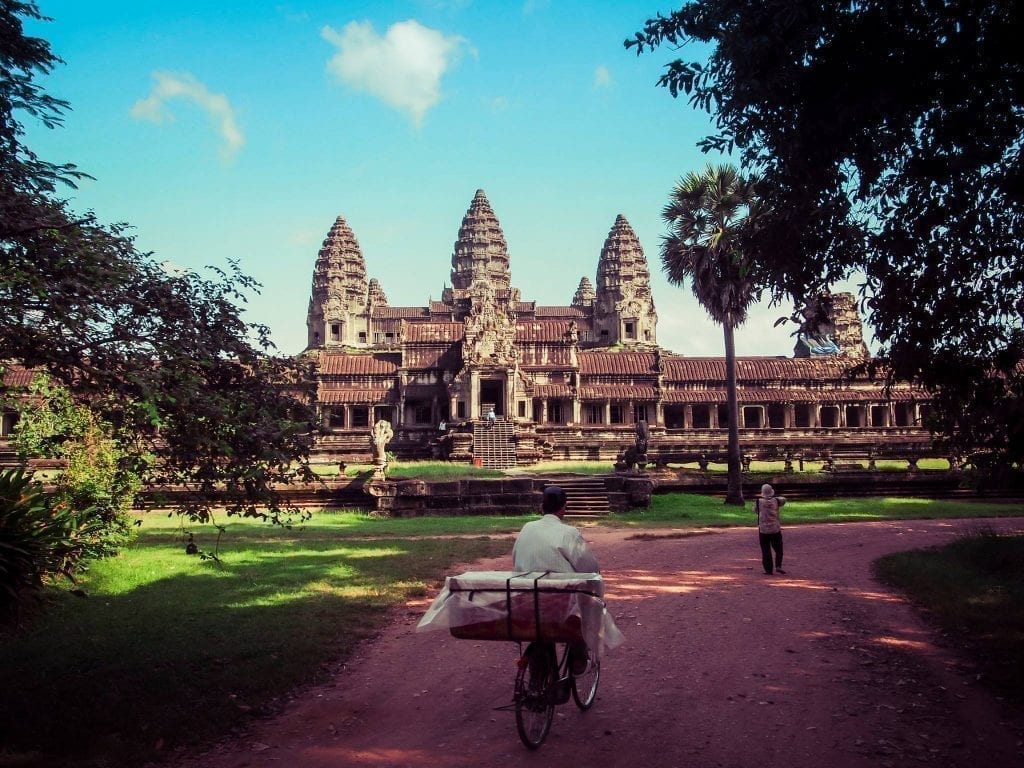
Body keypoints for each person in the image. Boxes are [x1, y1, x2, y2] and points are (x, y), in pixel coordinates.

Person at [513, 485, 599, 673]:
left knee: (540, 628)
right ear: (563, 508)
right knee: (585, 606)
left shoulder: (527, 528)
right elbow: (589, 568)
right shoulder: (569, 533)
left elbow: (516, 561)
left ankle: (538, 678)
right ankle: (578, 652)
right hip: (560, 602)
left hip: (528, 597)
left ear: (542, 507)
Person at [755, 483, 787, 575]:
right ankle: (778, 565)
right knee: (778, 548)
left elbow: (755, 510)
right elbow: (784, 499)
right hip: (775, 528)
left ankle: (768, 569)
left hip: (763, 529)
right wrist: (773, 498)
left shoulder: (758, 502)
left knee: (765, 550)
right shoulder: (777, 501)